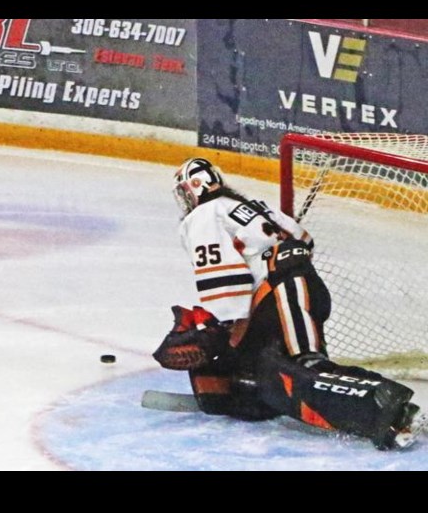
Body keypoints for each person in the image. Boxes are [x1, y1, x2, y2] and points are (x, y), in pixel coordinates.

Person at [152, 157, 424, 450]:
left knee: (303, 365)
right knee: (276, 367)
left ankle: (388, 409)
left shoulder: (203, 215)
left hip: (283, 292)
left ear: (195, 187)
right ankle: (261, 393)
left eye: (185, 191)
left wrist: (222, 325)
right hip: (297, 288)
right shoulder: (253, 205)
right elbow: (304, 241)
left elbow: (224, 278)